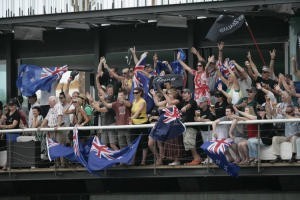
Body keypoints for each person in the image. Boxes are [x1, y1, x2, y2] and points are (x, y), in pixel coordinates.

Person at [130, 87, 149, 165]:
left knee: (143, 143)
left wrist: (131, 118)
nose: (134, 94)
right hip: (134, 124)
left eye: (136, 93)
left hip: (142, 123)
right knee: (134, 143)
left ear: (140, 93)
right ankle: (133, 161)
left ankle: (143, 161)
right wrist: (131, 120)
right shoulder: (134, 101)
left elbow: (138, 112)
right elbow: (132, 112)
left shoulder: (142, 101)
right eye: (133, 93)